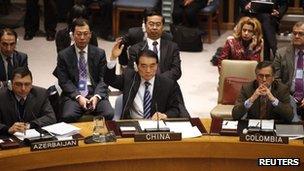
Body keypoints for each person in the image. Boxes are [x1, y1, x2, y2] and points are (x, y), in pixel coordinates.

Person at [54, 18, 114, 122]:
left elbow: (104, 79)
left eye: (85, 34)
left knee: (108, 113)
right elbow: (64, 81)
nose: (82, 37)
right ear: (72, 35)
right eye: (78, 34)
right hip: (74, 92)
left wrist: (97, 96)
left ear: (90, 34)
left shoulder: (99, 53)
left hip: (94, 90)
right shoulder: (63, 55)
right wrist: (78, 97)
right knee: (67, 115)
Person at [105, 48, 180, 120]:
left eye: (152, 66)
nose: (148, 70)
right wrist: (113, 58)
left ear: (157, 66)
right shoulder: (129, 78)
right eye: (144, 66)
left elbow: (175, 109)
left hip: (156, 125)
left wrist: (164, 115)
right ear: (137, 66)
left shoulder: (168, 84)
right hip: (133, 124)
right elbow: (110, 79)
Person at [0, 67, 56, 135]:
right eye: (18, 84)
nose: (23, 88)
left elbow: (50, 117)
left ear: (31, 84)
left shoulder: (41, 93)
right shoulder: (2, 96)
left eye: (27, 84)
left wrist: (29, 125)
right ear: (11, 84)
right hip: (8, 138)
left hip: (32, 136)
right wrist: (7, 129)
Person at [273, 22, 304, 122]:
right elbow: (275, 79)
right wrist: (287, 97)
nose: (297, 36)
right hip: (287, 96)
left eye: (301, 34)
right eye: (294, 33)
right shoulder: (281, 53)